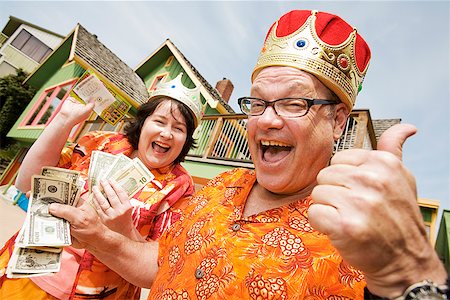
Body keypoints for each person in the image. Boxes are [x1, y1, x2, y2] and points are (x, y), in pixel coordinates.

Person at [29, 9, 448, 299]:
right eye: (259, 103)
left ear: (338, 121)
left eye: (293, 103)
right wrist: (101, 237)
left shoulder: (355, 231)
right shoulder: (220, 187)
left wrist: (406, 275)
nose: (267, 120)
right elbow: (161, 265)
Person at [0, 73, 203, 299]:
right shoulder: (101, 143)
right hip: (26, 278)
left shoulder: (180, 187)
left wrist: (124, 228)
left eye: (178, 128)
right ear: (143, 122)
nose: (166, 133)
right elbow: (26, 182)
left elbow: (156, 267)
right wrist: (63, 120)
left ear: (186, 140)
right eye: (159, 121)